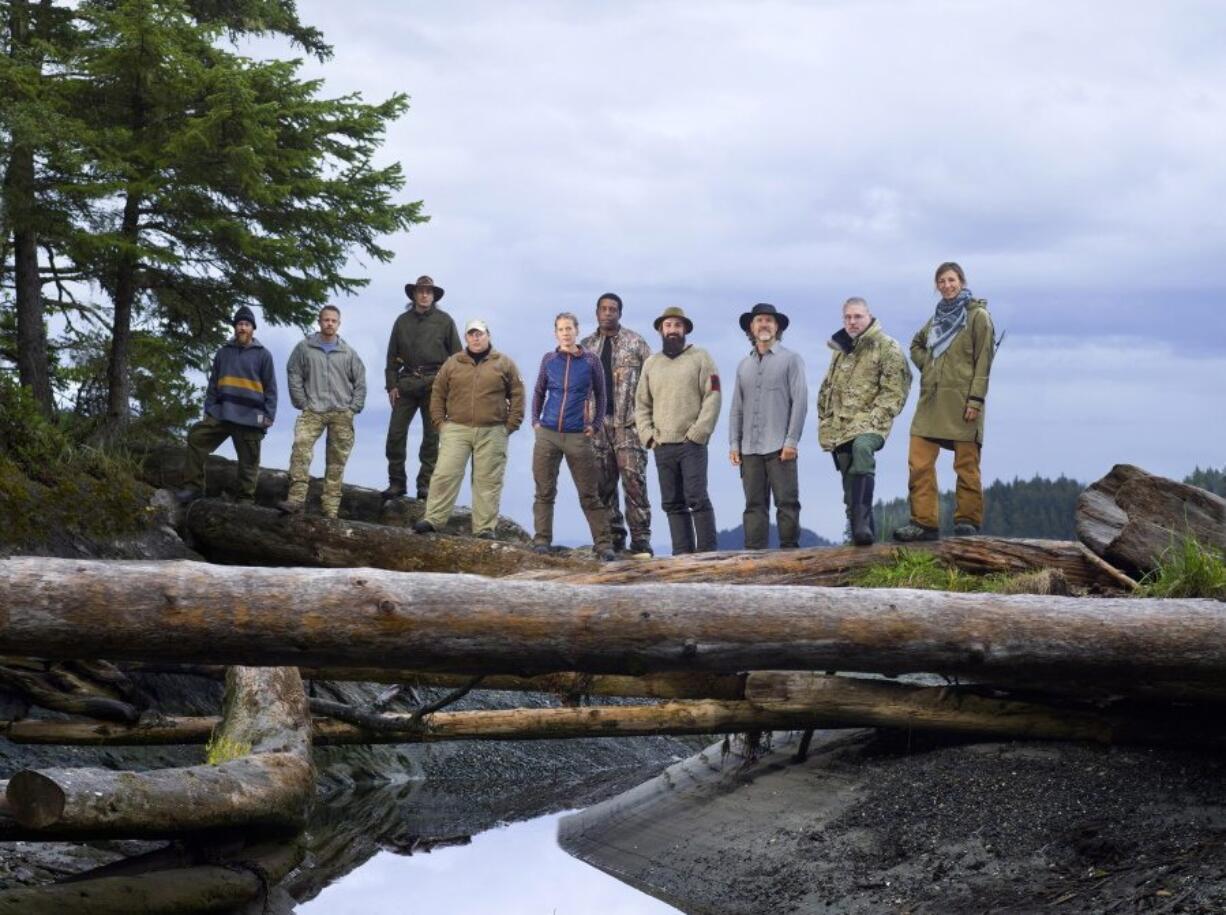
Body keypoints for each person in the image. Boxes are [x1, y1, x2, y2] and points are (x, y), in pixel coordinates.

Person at [894, 262, 995, 541]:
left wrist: (975, 399)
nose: (947, 285)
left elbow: (984, 362)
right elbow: (916, 344)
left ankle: (967, 522)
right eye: (941, 281)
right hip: (930, 401)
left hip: (963, 401)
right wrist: (927, 364)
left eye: (951, 280)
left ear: (961, 281)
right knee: (919, 462)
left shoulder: (978, 316)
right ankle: (924, 523)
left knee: (966, 465)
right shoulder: (937, 318)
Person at [413, 319, 524, 538]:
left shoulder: (504, 363)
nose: (476, 337)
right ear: (466, 338)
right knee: (444, 474)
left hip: (493, 430)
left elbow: (518, 394)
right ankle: (433, 519)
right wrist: (440, 423)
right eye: (471, 334)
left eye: (480, 333)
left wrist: (509, 426)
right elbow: (438, 392)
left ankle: (484, 529)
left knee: (487, 481)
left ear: (488, 335)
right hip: (456, 428)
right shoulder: (453, 363)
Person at [817, 297, 912, 545]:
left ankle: (861, 524)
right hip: (841, 428)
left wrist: (874, 419)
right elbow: (827, 388)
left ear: (869, 316)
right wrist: (825, 421)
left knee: (861, 449)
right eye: (848, 317)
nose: (852, 321)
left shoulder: (887, 347)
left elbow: (895, 391)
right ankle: (862, 540)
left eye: (857, 316)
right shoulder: (841, 351)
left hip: (872, 425)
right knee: (849, 483)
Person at [635, 307, 721, 555]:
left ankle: (707, 555)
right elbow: (642, 403)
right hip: (662, 444)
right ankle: (682, 556)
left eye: (677, 325)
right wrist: (648, 436)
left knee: (697, 498)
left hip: (691, 443)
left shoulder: (701, 358)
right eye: (668, 325)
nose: (673, 330)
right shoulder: (652, 363)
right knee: (672, 503)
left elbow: (713, 395)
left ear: (685, 329)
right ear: (661, 330)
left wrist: (699, 432)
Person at [530, 312, 615, 561]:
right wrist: (535, 421)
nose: (565, 333)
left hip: (578, 435)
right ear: (555, 333)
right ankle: (542, 540)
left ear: (577, 331)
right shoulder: (549, 360)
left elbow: (602, 395)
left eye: (569, 328)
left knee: (589, 493)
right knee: (544, 491)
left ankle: (603, 545)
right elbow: (538, 391)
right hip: (547, 434)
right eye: (561, 329)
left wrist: (596, 424)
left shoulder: (591, 361)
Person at [728, 303, 808, 550]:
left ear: (777, 327)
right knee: (753, 506)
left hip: (780, 447)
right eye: (759, 321)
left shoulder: (791, 360)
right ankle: (754, 558)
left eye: (769, 321)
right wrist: (734, 444)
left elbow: (800, 402)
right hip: (749, 449)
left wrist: (792, 442)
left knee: (787, 503)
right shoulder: (744, 365)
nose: (763, 325)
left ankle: (790, 556)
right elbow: (736, 408)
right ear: (751, 328)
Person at [580, 293, 654, 556]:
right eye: (604, 308)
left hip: (629, 426)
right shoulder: (586, 346)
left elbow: (653, 381)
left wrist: (649, 422)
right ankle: (612, 540)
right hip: (596, 427)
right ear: (597, 312)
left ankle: (641, 541)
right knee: (602, 486)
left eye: (613, 309)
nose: (608, 313)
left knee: (634, 483)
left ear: (620, 313)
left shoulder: (636, 343)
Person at [178, 306, 277, 503]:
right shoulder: (223, 353)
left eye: (247, 324)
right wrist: (209, 409)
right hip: (222, 413)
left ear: (253, 329)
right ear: (235, 327)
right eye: (239, 324)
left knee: (249, 463)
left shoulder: (263, 355)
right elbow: (213, 384)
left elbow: (271, 389)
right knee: (196, 437)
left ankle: (244, 501)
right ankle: (194, 488)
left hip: (250, 417)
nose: (242, 328)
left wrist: (267, 417)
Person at [276, 305, 367, 519]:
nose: (329, 324)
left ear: (339, 323)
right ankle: (296, 500)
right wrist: (301, 402)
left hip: (341, 412)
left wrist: (353, 408)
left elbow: (360, 382)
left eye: (333, 321)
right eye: (326, 320)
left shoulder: (348, 353)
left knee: (336, 462)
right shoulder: (304, 348)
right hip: (313, 410)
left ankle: (330, 509)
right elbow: (294, 373)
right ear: (319, 322)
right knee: (300, 448)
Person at [383, 275, 462, 501]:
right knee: (395, 435)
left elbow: (457, 358)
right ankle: (396, 482)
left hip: (435, 385)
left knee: (431, 438)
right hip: (406, 383)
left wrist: (450, 388)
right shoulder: (402, 321)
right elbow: (391, 357)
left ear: (434, 295)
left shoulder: (445, 321)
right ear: (414, 294)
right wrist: (391, 385)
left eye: (429, 291)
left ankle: (425, 485)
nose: (425, 294)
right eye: (421, 291)